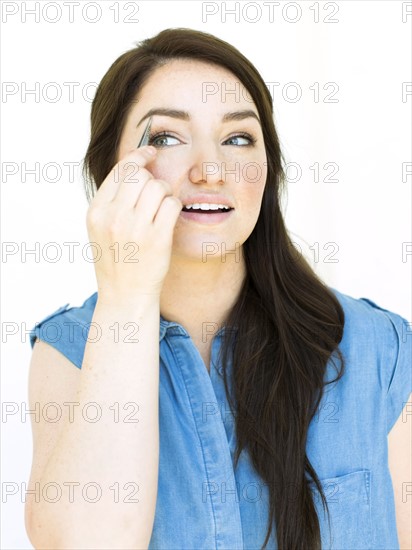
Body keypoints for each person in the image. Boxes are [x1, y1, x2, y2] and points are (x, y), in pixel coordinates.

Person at [25, 28, 411, 550]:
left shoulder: (380, 350)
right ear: (110, 171)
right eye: (164, 138)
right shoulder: (68, 351)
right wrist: (126, 294)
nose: (210, 171)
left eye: (237, 139)